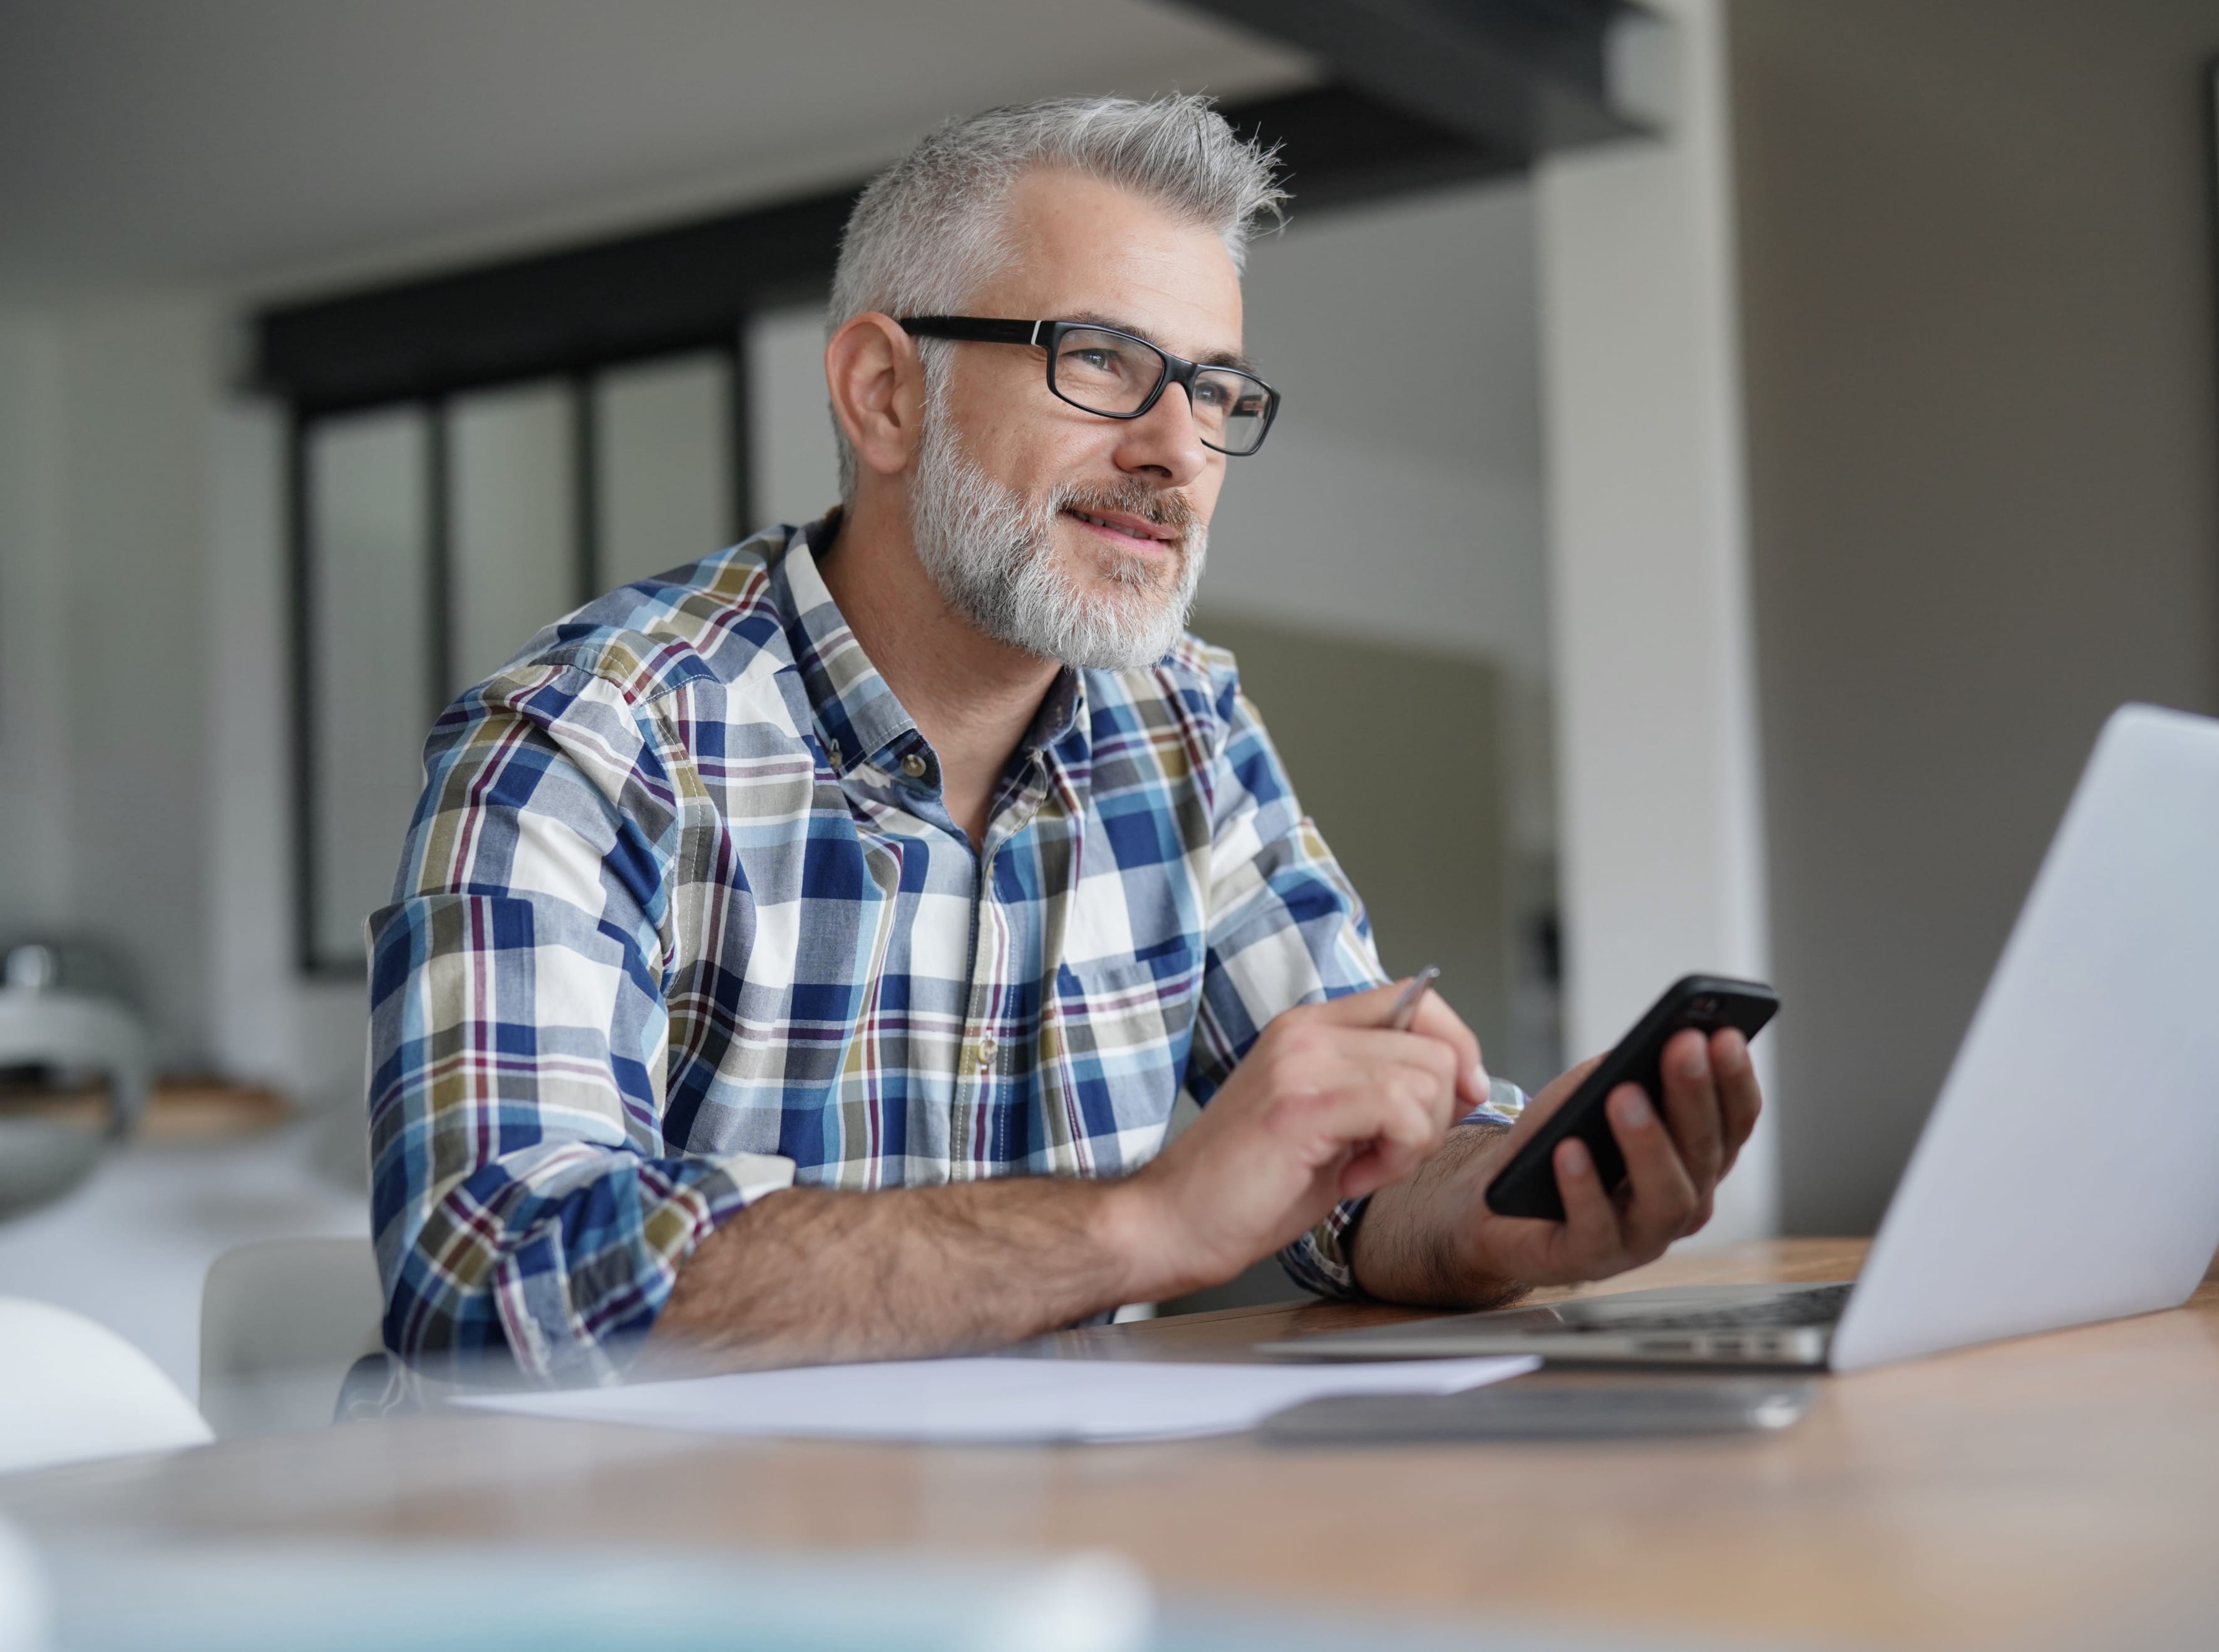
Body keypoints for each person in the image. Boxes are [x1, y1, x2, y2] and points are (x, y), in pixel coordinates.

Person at [366, 93, 1762, 1389]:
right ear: (883, 394)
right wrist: (1138, 1222)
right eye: (1101, 360)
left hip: (1034, 1539)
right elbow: (494, 1269)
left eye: (1212, 390)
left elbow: (1359, 1167)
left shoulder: (1183, 724)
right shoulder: (585, 733)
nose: (1175, 452)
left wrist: (1513, 1194)